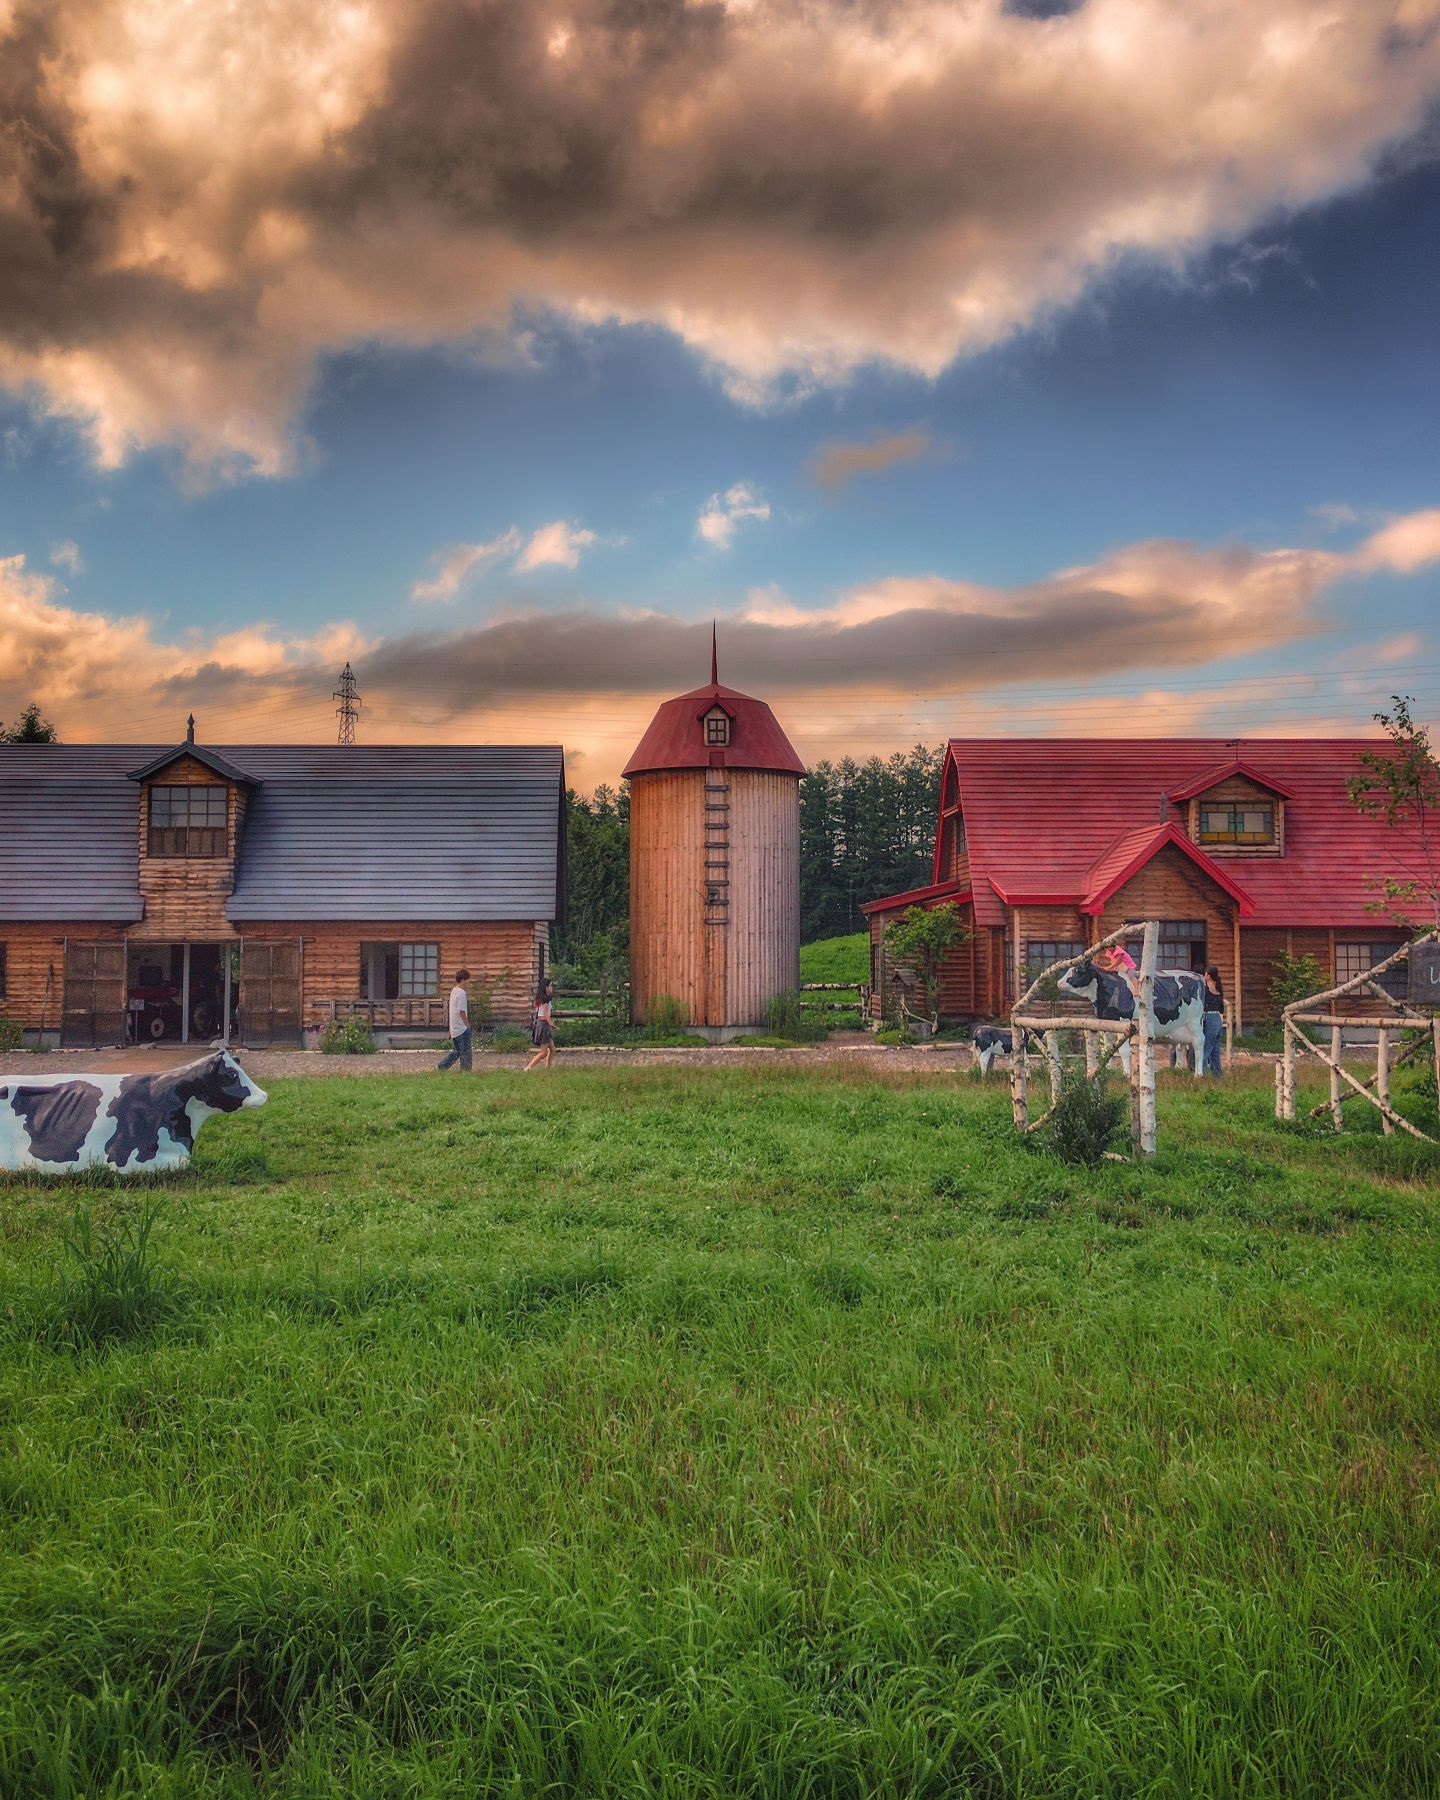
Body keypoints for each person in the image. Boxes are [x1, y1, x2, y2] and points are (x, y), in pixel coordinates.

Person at [437, 968, 472, 1072]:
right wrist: (467, 1025)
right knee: (466, 1053)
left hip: (454, 1028)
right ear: (463, 980)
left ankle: (442, 1066)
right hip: (461, 1028)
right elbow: (461, 1011)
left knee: (456, 1052)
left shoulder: (454, 991)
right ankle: (466, 1072)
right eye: (468, 980)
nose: (468, 983)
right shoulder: (461, 993)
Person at [525, 976, 556, 1072]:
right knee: (543, 1052)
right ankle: (528, 1067)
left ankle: (548, 1068)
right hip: (544, 1025)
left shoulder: (543, 999)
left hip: (542, 1024)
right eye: (550, 986)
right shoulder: (545, 1000)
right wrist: (552, 1024)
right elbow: (546, 1014)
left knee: (552, 1049)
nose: (552, 988)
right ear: (546, 987)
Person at [1202, 964, 1225, 1077]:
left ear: (1209, 976)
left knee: (1205, 1050)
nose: (1204, 975)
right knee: (1215, 1052)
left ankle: (1203, 1075)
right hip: (1218, 1019)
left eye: (1205, 974)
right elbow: (1221, 1008)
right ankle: (1218, 1076)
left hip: (1209, 1018)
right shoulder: (1218, 987)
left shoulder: (1205, 988)